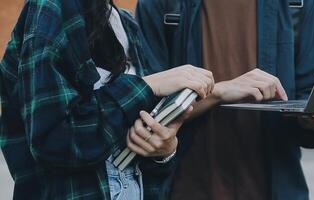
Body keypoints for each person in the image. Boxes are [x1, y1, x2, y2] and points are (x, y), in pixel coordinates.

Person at [136, 0, 314, 199]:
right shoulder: (161, 5)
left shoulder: (297, 4)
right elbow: (147, 112)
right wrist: (218, 93)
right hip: (185, 189)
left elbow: (310, 107)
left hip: (275, 190)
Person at [0, 0, 215, 199]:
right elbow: (53, 141)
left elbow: (142, 159)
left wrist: (164, 150)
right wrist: (148, 85)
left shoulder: (126, 22)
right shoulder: (49, 8)